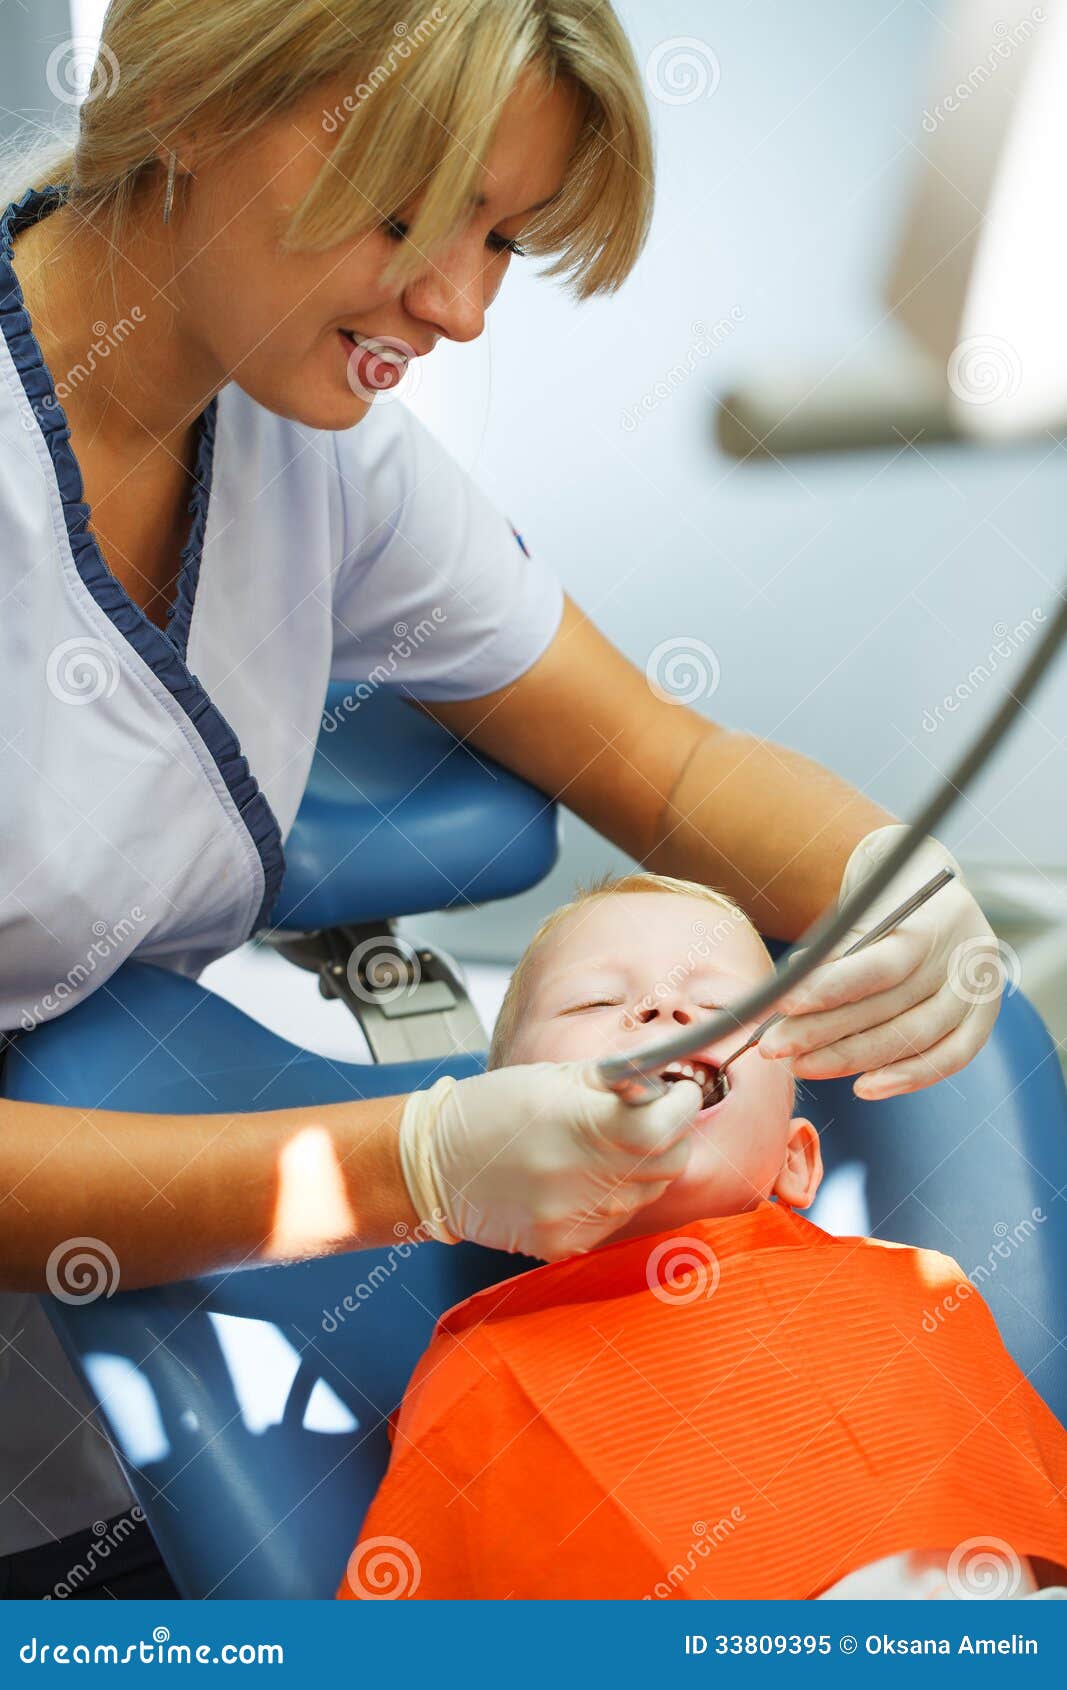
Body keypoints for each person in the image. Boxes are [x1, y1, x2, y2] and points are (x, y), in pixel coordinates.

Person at [0, 0, 1000, 1593]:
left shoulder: (314, 451)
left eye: (504, 237)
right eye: (406, 210)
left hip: (89, 1420)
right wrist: (416, 1164)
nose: (458, 304)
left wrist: (880, 873)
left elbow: (660, 759)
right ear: (182, 99)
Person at [339, 875, 1067, 1601]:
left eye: (723, 1006)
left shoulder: (917, 1294)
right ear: (498, 1148)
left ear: (795, 1160)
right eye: (594, 1001)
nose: (667, 1008)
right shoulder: (484, 1373)